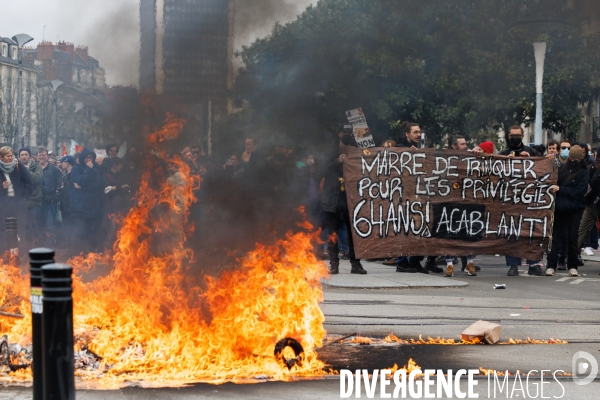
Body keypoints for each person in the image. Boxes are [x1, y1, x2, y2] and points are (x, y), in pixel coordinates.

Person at [320, 127, 367, 275]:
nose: (348, 136)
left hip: (352, 198)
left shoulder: (357, 150)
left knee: (354, 233)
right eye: (345, 133)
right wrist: (337, 161)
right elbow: (321, 170)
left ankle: (356, 263)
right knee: (332, 233)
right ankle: (334, 264)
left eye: (350, 133)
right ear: (339, 134)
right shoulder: (330, 150)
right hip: (333, 198)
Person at [498, 126, 543, 276]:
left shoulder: (532, 153)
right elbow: (495, 175)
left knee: (531, 231)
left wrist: (531, 160)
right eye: (513, 135)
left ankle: (533, 264)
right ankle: (513, 265)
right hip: (511, 201)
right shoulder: (503, 155)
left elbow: (544, 169)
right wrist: (505, 162)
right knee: (512, 233)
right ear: (509, 136)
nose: (515, 138)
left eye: (518, 135)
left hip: (530, 200)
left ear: (523, 136)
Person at [546, 145, 589, 277]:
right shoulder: (563, 169)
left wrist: (561, 189)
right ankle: (559, 265)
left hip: (570, 208)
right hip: (565, 207)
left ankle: (566, 264)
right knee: (559, 238)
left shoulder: (582, 172)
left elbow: (579, 191)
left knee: (570, 237)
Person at [69, 148, 103, 253]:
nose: (89, 160)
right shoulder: (76, 169)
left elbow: (97, 185)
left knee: (89, 231)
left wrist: (83, 186)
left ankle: (86, 254)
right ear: (83, 157)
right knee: (80, 230)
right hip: (79, 205)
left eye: (91, 157)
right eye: (87, 157)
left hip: (92, 205)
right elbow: (79, 181)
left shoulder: (95, 170)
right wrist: (88, 170)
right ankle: (75, 253)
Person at [0, 146, 33, 252]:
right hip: (4, 203)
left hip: (18, 202)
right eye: (8, 156)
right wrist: (2, 187)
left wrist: (25, 198)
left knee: (20, 228)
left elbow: (29, 182)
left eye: (11, 156)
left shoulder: (17, 165)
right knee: (4, 229)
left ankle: (21, 253)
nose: (10, 158)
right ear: (1, 157)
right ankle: (6, 253)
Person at [37, 146, 62, 246]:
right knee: (38, 224)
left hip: (49, 202)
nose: (41, 157)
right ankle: (39, 245)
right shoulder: (34, 168)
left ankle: (49, 246)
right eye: (40, 155)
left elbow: (60, 184)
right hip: (37, 202)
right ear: (37, 156)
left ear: (47, 156)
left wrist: (55, 197)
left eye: (43, 155)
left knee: (49, 225)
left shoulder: (54, 170)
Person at [19, 147, 43, 247]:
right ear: (19, 157)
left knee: (36, 225)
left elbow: (37, 179)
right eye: (22, 155)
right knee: (25, 226)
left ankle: (38, 247)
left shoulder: (36, 166)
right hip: (22, 201)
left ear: (29, 156)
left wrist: (27, 170)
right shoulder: (16, 167)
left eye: (26, 154)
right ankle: (27, 247)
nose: (24, 157)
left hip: (34, 201)